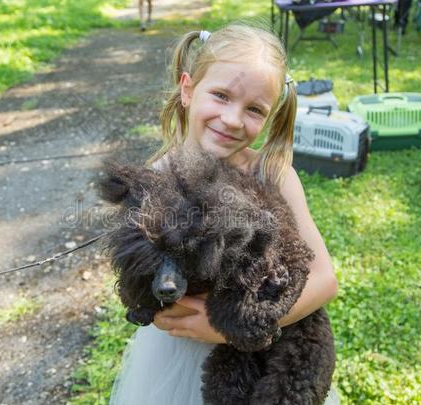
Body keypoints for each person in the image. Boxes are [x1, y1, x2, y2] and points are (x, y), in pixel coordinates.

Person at [109, 23, 339, 404]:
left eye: (253, 109)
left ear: (270, 116)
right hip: (182, 360)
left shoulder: (273, 175)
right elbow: (149, 281)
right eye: (220, 95)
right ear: (188, 89)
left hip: (264, 346)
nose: (232, 119)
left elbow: (325, 280)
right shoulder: (161, 177)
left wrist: (232, 328)